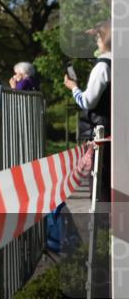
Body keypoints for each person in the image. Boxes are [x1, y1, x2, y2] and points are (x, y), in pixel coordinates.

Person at [64, 21, 112, 203]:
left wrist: (74, 88)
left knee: (101, 179)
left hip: (102, 129)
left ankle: (103, 227)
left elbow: (88, 101)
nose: (96, 43)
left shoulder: (103, 66)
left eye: (98, 38)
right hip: (118, 128)